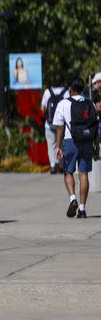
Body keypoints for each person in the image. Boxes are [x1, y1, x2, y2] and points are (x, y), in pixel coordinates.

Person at [53, 78, 99, 219]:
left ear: (70, 89)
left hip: (70, 141)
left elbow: (60, 126)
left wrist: (58, 146)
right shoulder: (89, 103)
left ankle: (72, 199)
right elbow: (95, 126)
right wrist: (96, 146)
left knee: (68, 172)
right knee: (83, 174)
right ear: (82, 89)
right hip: (86, 141)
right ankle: (82, 209)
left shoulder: (63, 103)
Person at [41, 79, 70, 174]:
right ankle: (61, 166)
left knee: (51, 145)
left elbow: (43, 108)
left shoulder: (47, 91)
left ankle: (53, 166)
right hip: (62, 124)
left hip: (49, 124)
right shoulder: (66, 92)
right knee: (61, 145)